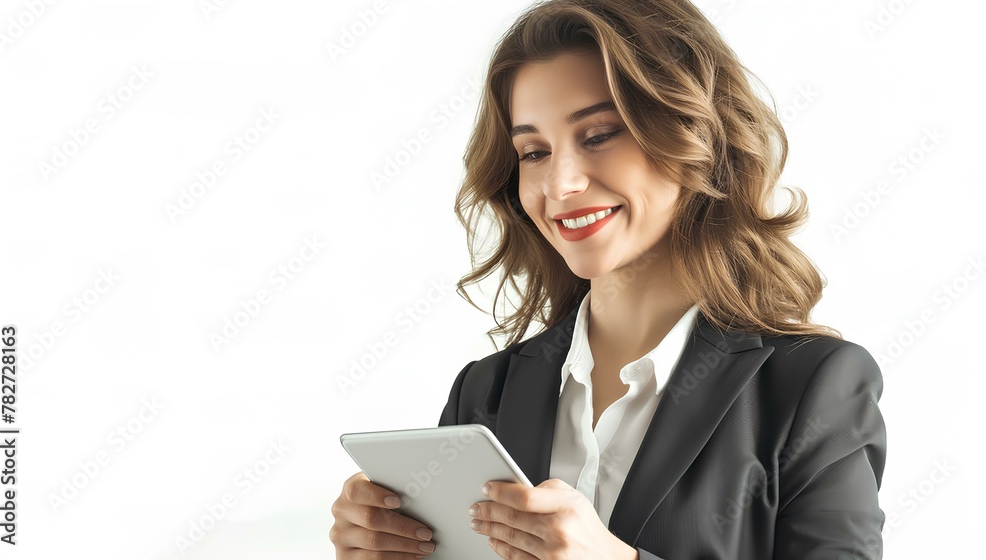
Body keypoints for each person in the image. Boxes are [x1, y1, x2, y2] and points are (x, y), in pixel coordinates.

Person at [330, 1, 887, 558]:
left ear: (694, 135)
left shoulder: (812, 387)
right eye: (533, 151)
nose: (560, 183)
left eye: (598, 135)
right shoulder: (484, 393)